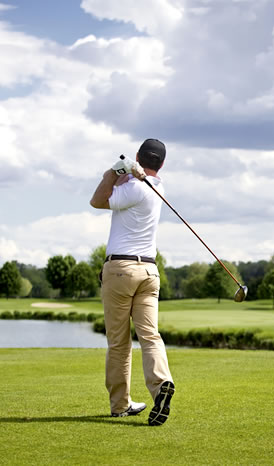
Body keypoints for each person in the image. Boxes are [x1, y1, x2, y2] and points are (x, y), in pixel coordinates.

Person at [90, 138, 175, 426]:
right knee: (150, 336)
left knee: (118, 342)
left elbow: (98, 200)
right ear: (161, 164)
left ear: (139, 156)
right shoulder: (158, 188)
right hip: (149, 273)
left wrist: (114, 170)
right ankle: (161, 382)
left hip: (120, 269)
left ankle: (120, 405)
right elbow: (133, 180)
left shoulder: (134, 188)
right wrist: (131, 171)